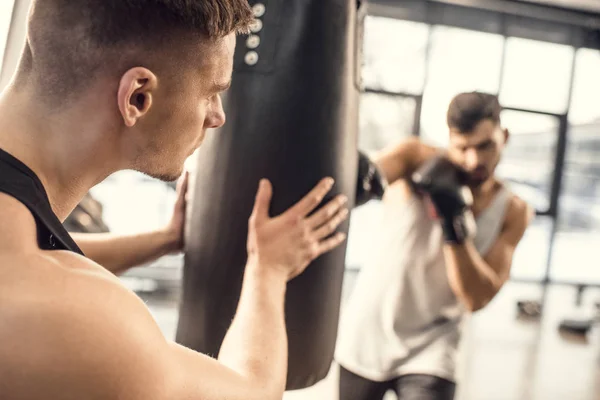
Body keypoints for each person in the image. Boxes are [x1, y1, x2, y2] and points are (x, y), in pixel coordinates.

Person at [0, 1, 352, 399]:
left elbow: (45, 258)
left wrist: (165, 238)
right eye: (212, 92)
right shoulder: (91, 325)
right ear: (138, 97)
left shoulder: (19, 251)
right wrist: (268, 270)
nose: (217, 116)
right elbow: (251, 393)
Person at [335, 91, 535, 400]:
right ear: (449, 140)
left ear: (504, 136)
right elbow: (359, 181)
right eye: (463, 148)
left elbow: (476, 298)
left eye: (485, 146)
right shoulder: (414, 157)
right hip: (369, 331)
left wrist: (453, 222)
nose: (474, 161)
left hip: (434, 345)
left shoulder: (514, 210)